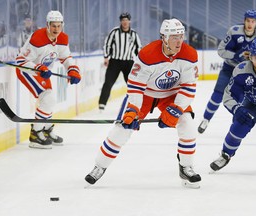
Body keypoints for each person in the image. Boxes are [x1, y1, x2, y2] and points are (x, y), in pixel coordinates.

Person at [85, 18, 201, 188]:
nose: (179, 41)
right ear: (164, 37)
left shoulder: (189, 54)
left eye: (181, 36)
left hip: (171, 95)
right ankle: (99, 166)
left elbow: (189, 87)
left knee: (188, 125)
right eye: (174, 37)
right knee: (122, 129)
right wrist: (133, 109)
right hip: (145, 95)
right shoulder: (147, 54)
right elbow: (135, 87)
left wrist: (176, 109)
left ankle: (186, 166)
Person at [198, 9, 256, 134]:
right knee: (217, 95)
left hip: (248, 72)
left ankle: (235, 128)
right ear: (244, 21)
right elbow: (221, 50)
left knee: (240, 101)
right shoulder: (234, 31)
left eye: (253, 21)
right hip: (230, 68)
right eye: (248, 21)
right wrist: (236, 55)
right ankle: (206, 119)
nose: (250, 24)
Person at [210, 37, 256, 171]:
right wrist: (237, 109)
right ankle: (225, 154)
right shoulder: (241, 70)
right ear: (250, 56)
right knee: (239, 125)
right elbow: (228, 95)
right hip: (253, 102)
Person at [15, 10, 81, 149]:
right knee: (48, 99)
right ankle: (35, 134)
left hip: (42, 71)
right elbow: (20, 61)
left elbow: (66, 57)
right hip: (28, 71)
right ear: (47, 25)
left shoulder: (63, 38)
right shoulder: (37, 38)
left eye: (59, 26)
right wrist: (39, 68)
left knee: (49, 100)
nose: (56, 29)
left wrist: (73, 70)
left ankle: (45, 129)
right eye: (53, 26)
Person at [98, 12, 142, 111]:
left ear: (129, 21)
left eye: (126, 20)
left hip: (128, 62)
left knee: (132, 84)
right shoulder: (114, 32)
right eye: (123, 20)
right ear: (120, 22)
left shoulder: (134, 34)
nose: (125, 22)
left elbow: (138, 48)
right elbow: (107, 44)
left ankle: (134, 104)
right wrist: (106, 57)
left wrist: (140, 61)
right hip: (115, 62)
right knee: (108, 82)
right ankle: (102, 103)